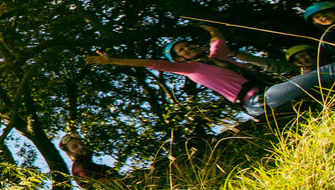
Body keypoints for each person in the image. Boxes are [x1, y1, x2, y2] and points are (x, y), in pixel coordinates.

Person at [87, 28, 335, 117]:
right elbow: (148, 63)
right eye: (181, 51)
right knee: (327, 72)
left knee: (322, 85)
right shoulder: (189, 68)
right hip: (259, 100)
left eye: (187, 45)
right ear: (179, 60)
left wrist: (211, 29)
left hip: (269, 91)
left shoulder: (216, 57)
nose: (187, 50)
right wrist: (113, 60)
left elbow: (217, 40)